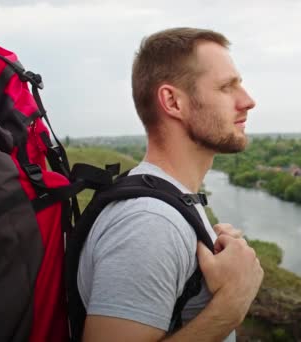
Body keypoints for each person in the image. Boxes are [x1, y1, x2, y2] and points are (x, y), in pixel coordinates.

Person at [76, 27, 263, 341]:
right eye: (226, 87)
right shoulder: (149, 224)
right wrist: (232, 305)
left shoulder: (171, 203)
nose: (248, 101)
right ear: (173, 102)